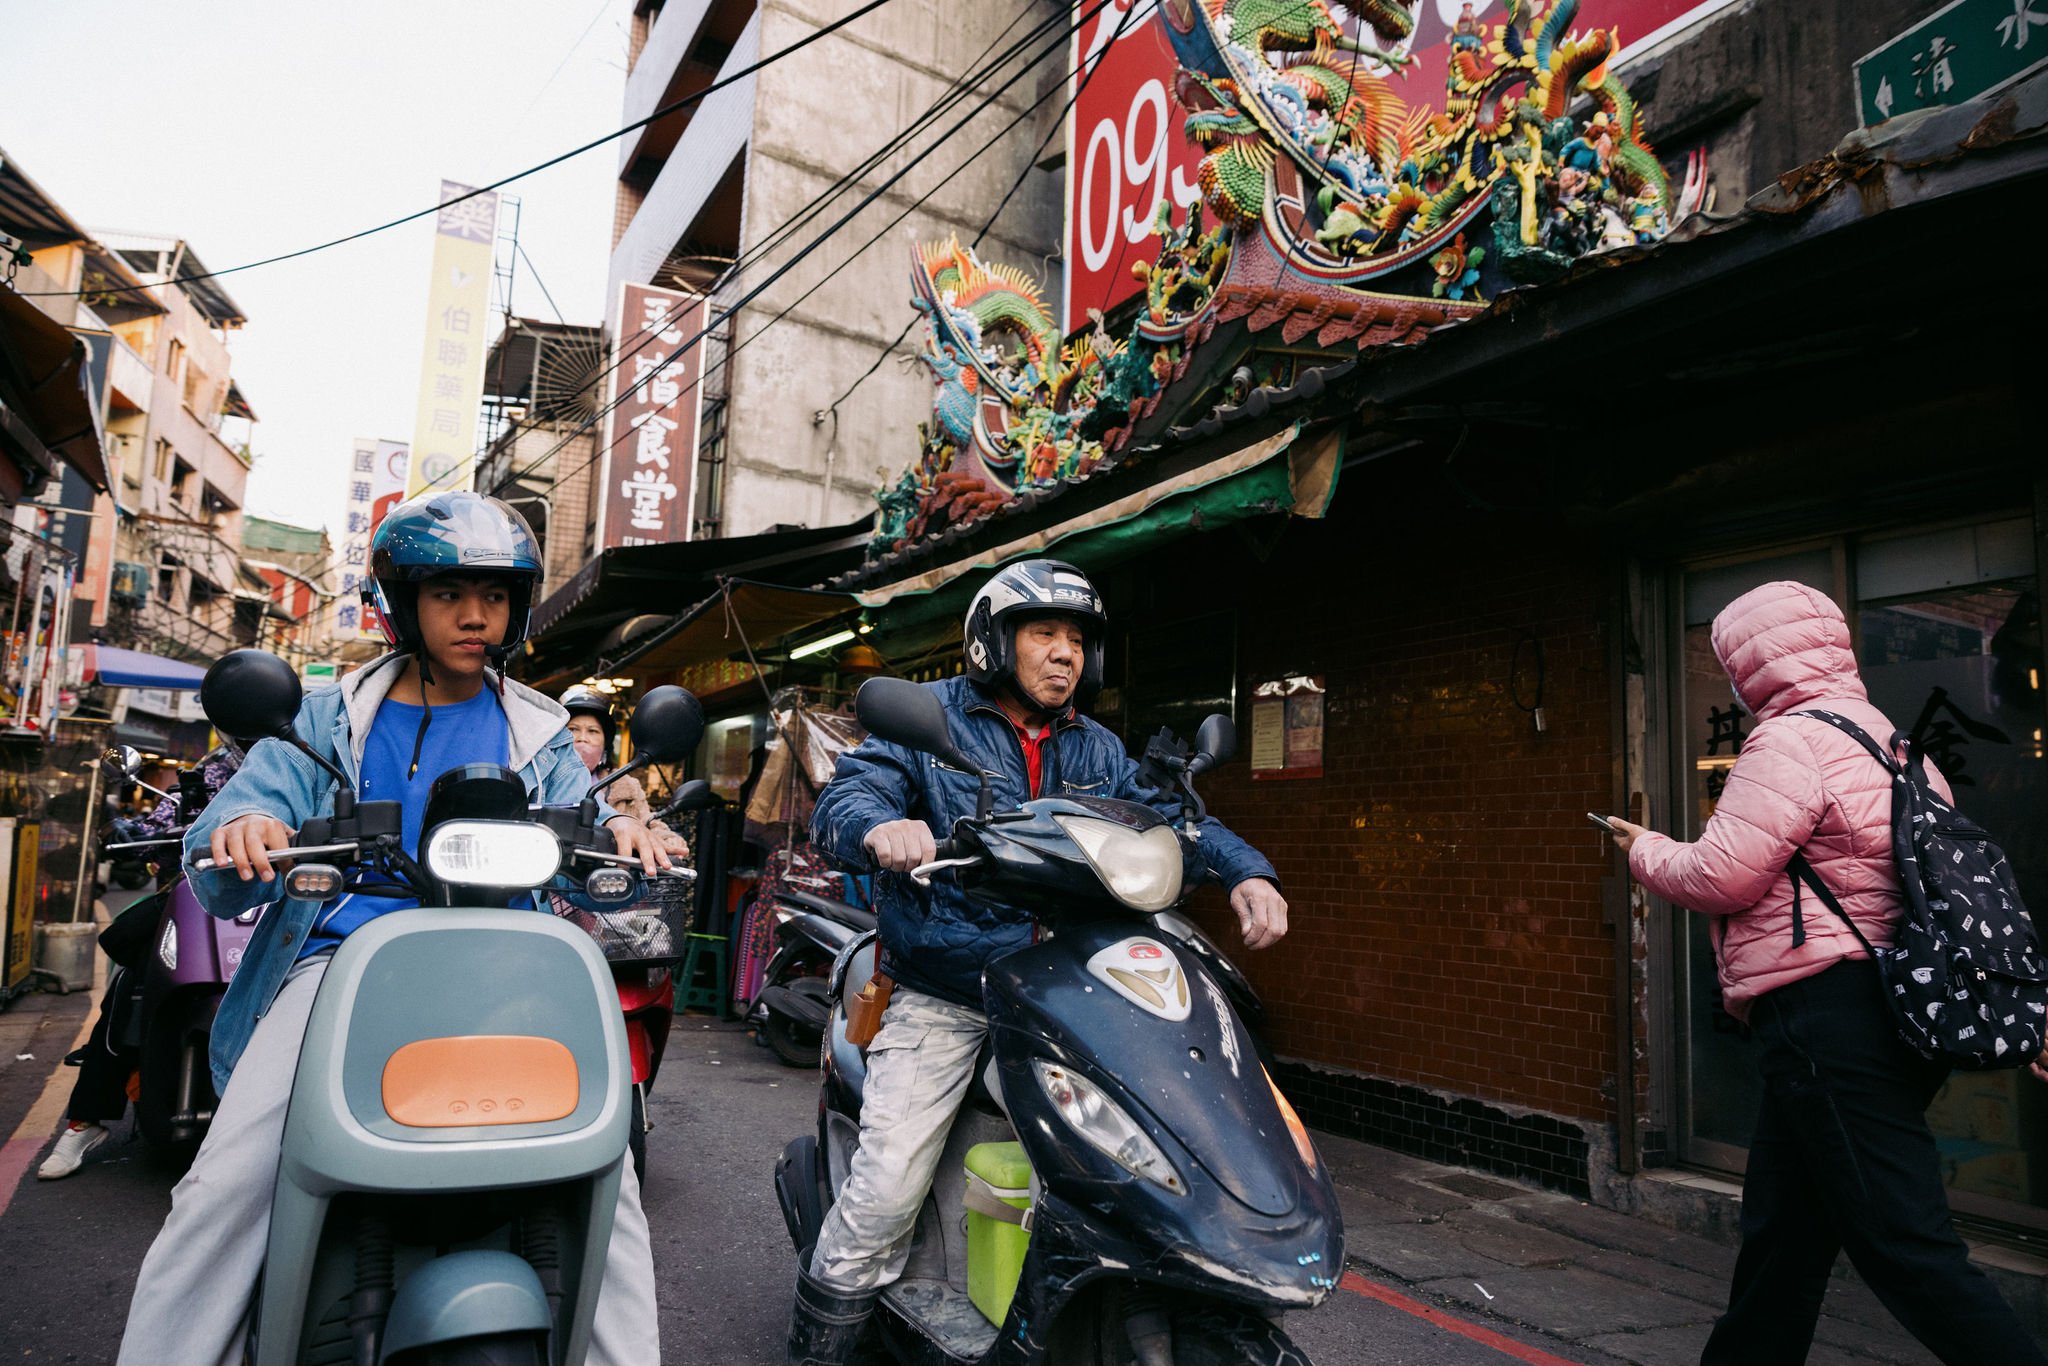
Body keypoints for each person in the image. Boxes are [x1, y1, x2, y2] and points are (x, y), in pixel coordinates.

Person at [117, 492, 672, 1366]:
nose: (476, 616)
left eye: (494, 595)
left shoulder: (542, 731)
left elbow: (590, 834)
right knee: (225, 1186)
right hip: (341, 968)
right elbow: (223, 853)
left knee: (612, 1180)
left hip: (510, 972)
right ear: (403, 602)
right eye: (450, 593)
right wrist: (246, 830)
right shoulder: (326, 719)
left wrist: (627, 836)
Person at [786, 559, 1291, 1364]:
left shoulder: (1095, 747)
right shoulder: (929, 720)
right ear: (994, 642)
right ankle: (820, 1345)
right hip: (950, 986)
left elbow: (1169, 819)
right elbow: (852, 797)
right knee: (886, 1189)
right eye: (1045, 634)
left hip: (1069, 986)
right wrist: (882, 827)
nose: (1066, 654)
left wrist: (1246, 870)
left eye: (1078, 640)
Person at [1602, 579, 2046, 1366]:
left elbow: (1720, 876)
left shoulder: (1788, 742)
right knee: (1785, 1238)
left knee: (1904, 1245)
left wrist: (1641, 847)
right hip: (1893, 1011)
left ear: (1749, 663)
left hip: (1828, 1017)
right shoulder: (1897, 745)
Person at [39, 740, 245, 1180]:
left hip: (288, 902)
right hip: (200, 898)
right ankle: (86, 1121)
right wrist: (135, 836)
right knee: (129, 984)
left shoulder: (314, 761)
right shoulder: (211, 769)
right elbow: (160, 826)